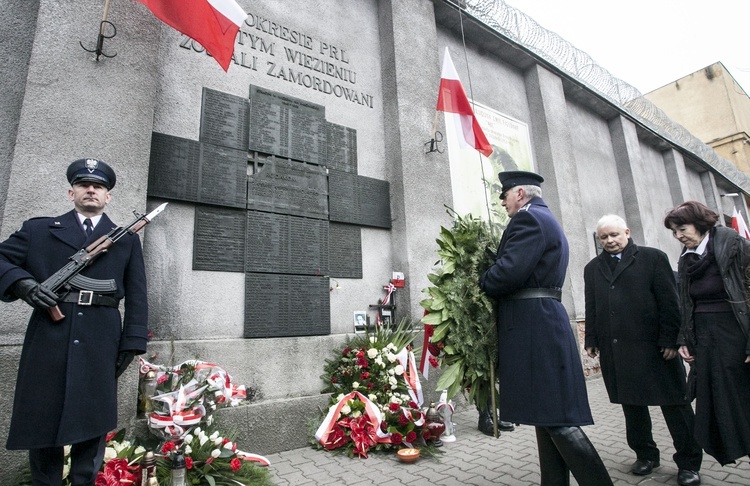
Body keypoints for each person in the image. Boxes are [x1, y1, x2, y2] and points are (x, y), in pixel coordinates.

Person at [0, 158, 149, 486]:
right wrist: (23, 285)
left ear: (108, 197)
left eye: (99, 187)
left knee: (92, 425)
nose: (91, 190)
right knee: (42, 423)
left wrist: (133, 342)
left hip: (101, 338)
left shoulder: (124, 240)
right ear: (72, 193)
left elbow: (138, 295)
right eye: (84, 185)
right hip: (50, 335)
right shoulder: (38, 230)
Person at [479, 171, 612, 485]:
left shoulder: (529, 220)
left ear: (521, 193)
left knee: (557, 419)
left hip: (534, 327)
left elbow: (507, 274)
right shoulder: (541, 218)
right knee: (547, 414)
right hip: (538, 321)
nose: (502, 200)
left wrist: (483, 278)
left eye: (505, 194)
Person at [584, 214, 702, 485]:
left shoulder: (653, 258)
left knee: (675, 405)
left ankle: (689, 462)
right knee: (632, 407)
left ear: (627, 232)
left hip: (656, 349)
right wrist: (591, 338)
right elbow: (592, 305)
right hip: (618, 350)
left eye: (614, 235)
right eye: (604, 237)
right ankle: (646, 455)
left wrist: (671, 340)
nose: (610, 241)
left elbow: (670, 303)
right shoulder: (592, 268)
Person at [664, 201, 750, 467]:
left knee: (742, 402)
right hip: (705, 341)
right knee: (720, 405)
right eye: (674, 232)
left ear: (700, 224)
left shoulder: (736, 247)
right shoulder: (687, 257)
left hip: (735, 337)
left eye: (682, 229)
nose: (679, 236)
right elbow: (686, 303)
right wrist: (684, 340)